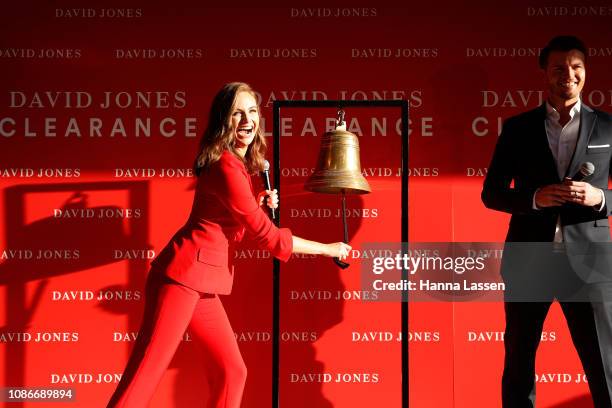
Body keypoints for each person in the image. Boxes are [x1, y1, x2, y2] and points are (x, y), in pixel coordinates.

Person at [106, 82, 351, 408]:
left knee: (232, 371)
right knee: (145, 376)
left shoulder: (234, 165)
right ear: (224, 120)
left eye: (252, 112)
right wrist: (329, 249)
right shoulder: (226, 166)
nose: (247, 120)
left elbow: (230, 224)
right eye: (238, 113)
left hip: (202, 282)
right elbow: (269, 237)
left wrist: (257, 201)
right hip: (181, 279)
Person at [482, 36, 612, 407]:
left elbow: (608, 196)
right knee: (519, 362)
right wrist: (534, 198)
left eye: (576, 67)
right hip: (529, 261)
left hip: (590, 263)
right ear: (544, 72)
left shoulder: (607, 127)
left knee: (604, 362)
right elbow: (491, 193)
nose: (568, 75)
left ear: (585, 72)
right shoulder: (518, 129)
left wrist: (599, 198)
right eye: (559, 68)